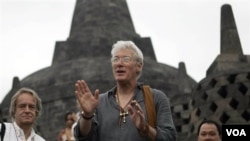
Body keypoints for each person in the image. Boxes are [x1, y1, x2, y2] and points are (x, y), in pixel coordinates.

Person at [73, 40, 177, 141]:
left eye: (126, 59)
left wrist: (145, 128)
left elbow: (170, 137)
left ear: (139, 66)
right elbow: (83, 137)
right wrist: (87, 115)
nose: (119, 63)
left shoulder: (156, 98)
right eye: (115, 59)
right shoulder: (99, 102)